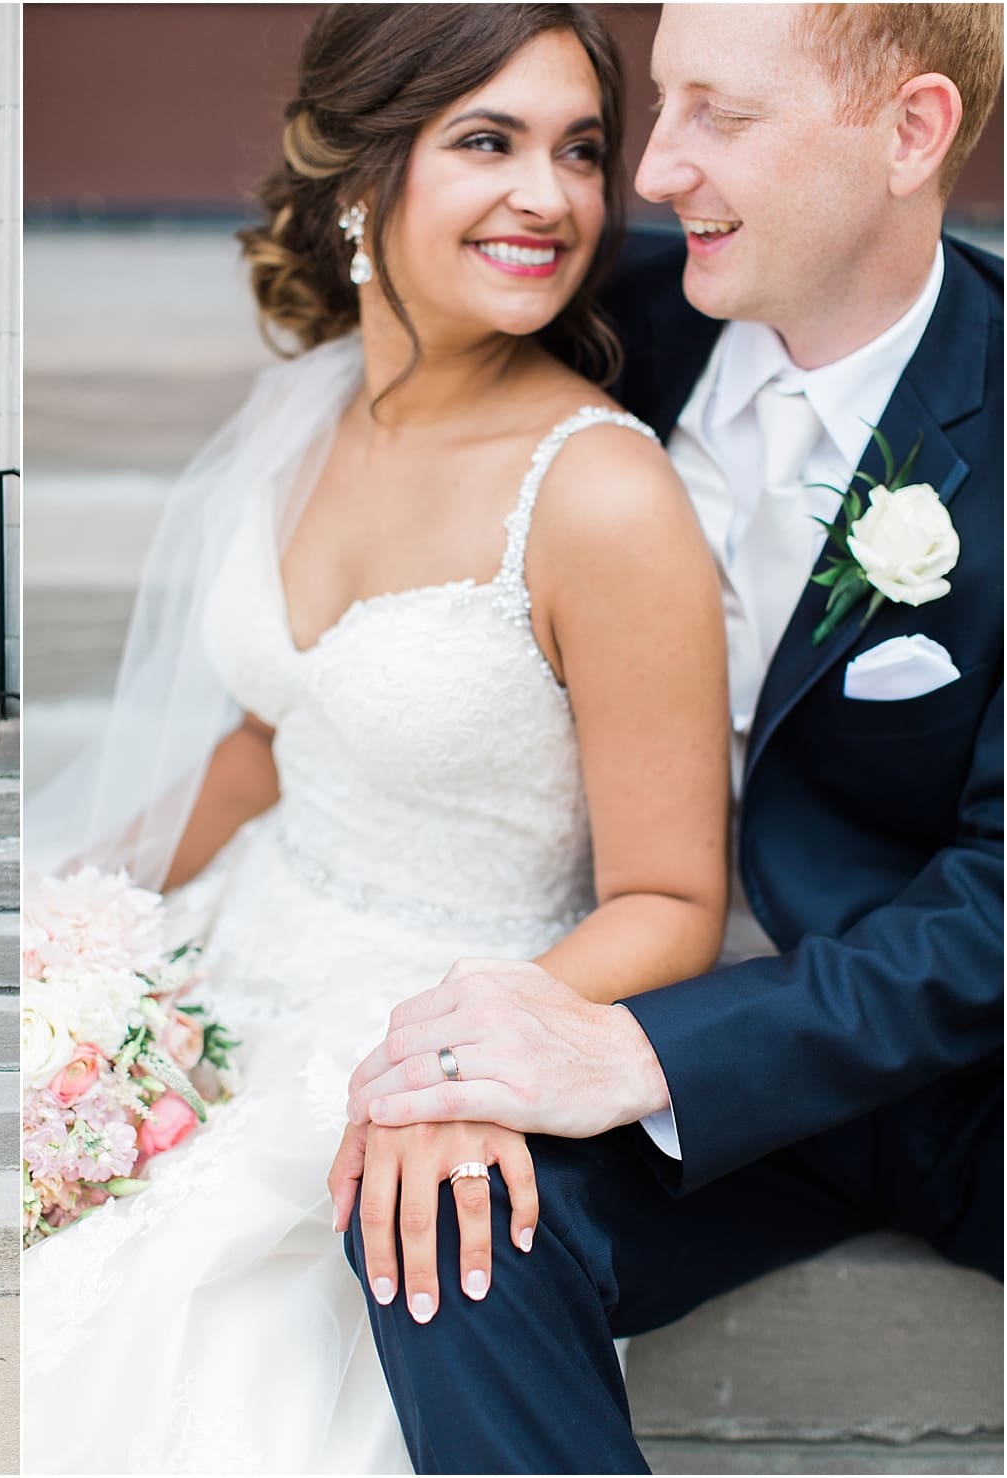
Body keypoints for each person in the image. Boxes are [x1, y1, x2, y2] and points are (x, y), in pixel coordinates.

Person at [21, 6, 732, 1470]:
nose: (551, 194)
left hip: (418, 1021)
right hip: (237, 941)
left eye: (579, 150)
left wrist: (434, 1067)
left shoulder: (598, 494)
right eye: (488, 140)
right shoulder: (306, 408)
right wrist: (67, 922)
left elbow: (669, 906)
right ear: (361, 175)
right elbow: (264, 739)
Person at [332, 5, 1003, 1471]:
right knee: (437, 1212)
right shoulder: (611, 319)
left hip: (972, 1094)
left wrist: (627, 1048)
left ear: (909, 134)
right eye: (659, 105)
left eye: (720, 115)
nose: (649, 171)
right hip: (689, 1035)